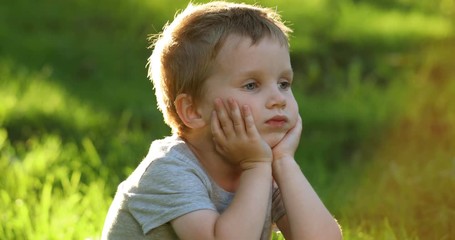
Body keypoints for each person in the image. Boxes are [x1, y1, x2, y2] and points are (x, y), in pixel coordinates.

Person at [101, 1, 342, 239]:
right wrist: (256, 166)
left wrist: (284, 162)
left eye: (284, 84)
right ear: (193, 110)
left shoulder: (264, 166)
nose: (278, 99)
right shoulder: (169, 169)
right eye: (251, 85)